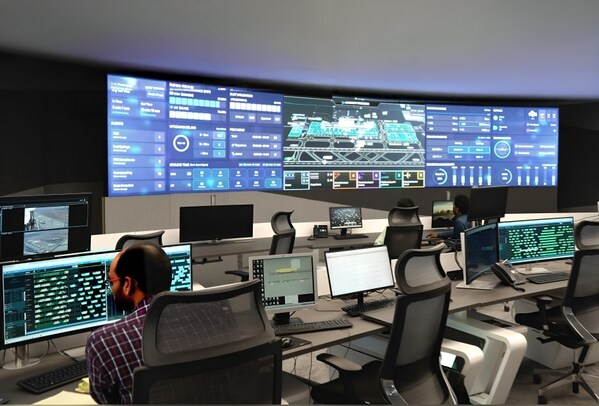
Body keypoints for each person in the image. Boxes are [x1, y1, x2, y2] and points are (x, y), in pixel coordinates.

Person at [86, 243, 173, 404]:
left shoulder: (103, 341)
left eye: (112, 281)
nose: (111, 288)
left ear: (128, 284)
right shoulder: (211, 315)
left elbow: (105, 400)